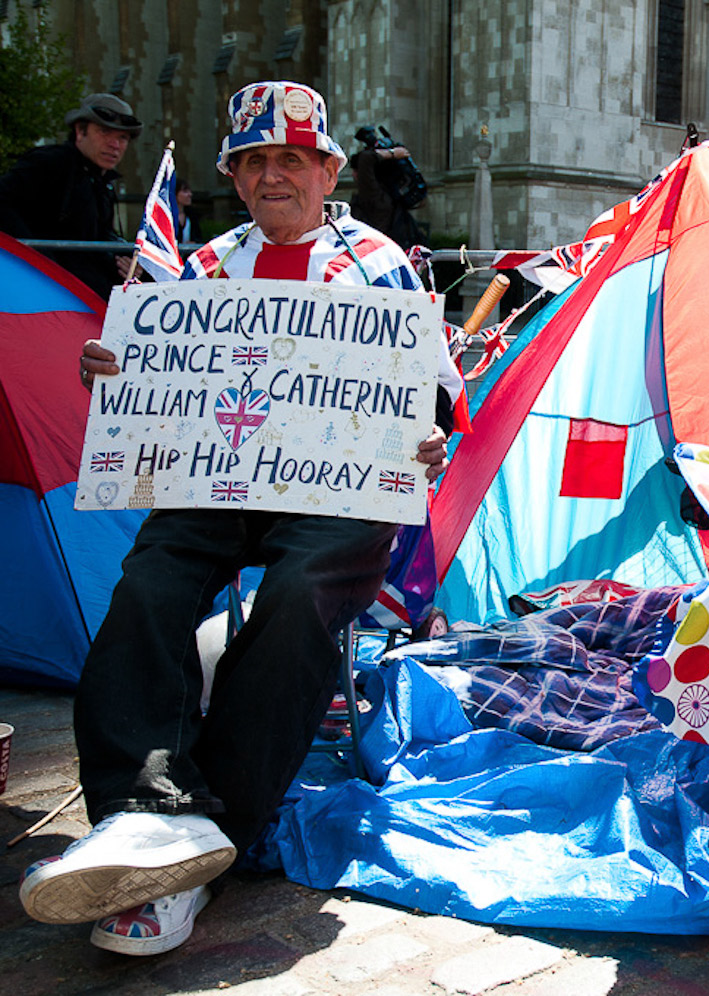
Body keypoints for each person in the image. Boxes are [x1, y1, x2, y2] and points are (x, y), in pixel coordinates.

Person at [19, 81, 453, 957]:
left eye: (290, 159)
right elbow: (152, 379)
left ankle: (206, 841)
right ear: (237, 176)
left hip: (337, 496)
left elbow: (437, 391)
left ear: (327, 169)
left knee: (295, 598)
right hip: (216, 485)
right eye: (254, 162)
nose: (272, 177)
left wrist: (433, 433)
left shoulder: (382, 264)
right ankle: (140, 815)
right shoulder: (205, 266)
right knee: (147, 586)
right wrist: (114, 369)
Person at [0, 92, 141, 300]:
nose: (115, 145)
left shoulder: (101, 183)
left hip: (82, 292)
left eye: (123, 137)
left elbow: (96, 239)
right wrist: (37, 261)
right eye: (104, 132)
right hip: (47, 293)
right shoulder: (50, 163)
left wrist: (124, 261)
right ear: (80, 131)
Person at [349, 125, 421, 249]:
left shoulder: (375, 196)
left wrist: (391, 153)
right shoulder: (392, 198)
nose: (353, 175)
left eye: (356, 171)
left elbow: (366, 159)